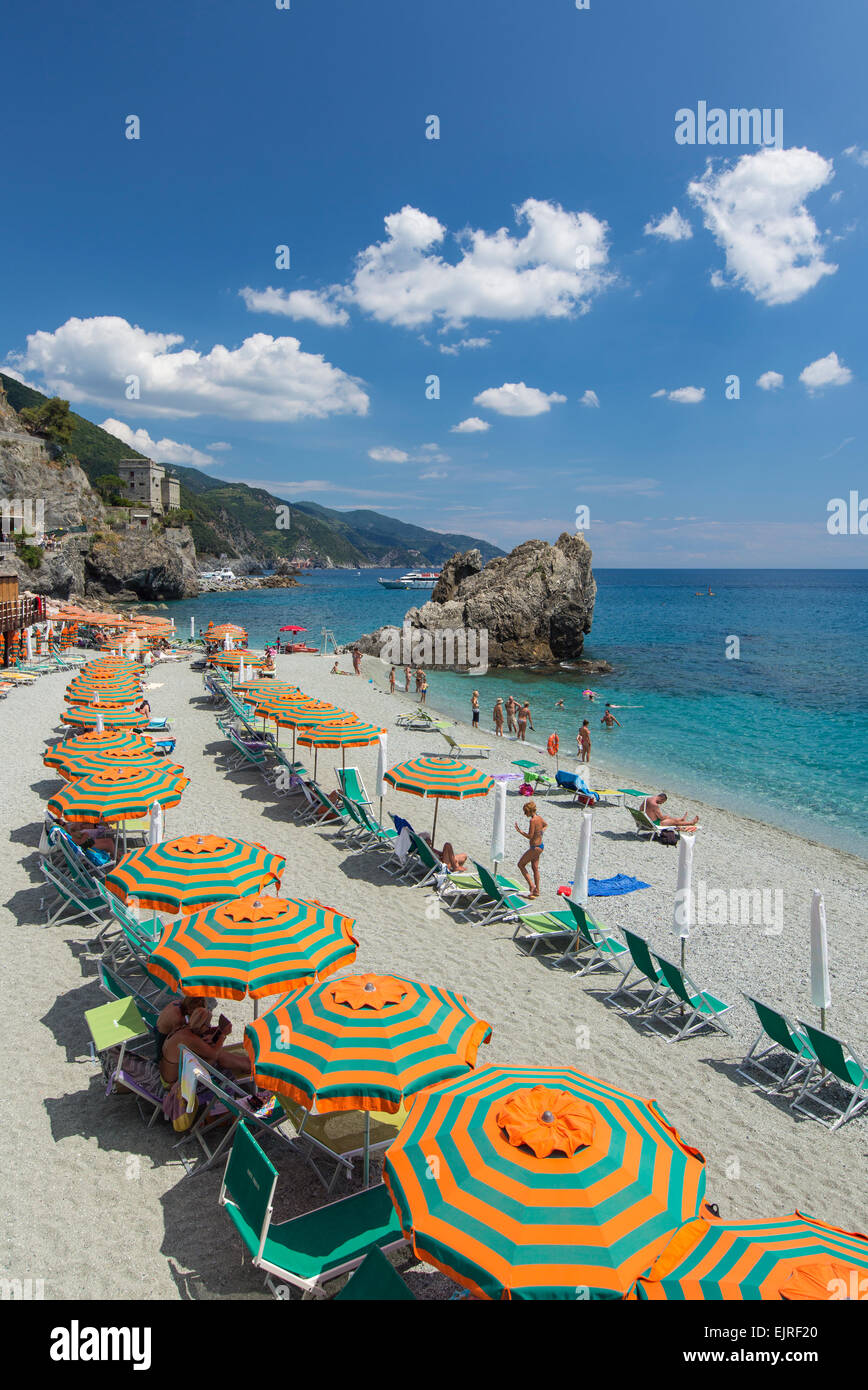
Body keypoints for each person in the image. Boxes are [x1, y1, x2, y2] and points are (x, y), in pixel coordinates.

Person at [159, 1006, 251, 1085]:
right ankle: (247, 1065)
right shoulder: (189, 1038)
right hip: (174, 1083)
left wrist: (216, 1030)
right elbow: (214, 1054)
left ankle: (244, 1063)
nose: (209, 1027)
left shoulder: (184, 1028)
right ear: (202, 1025)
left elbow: (202, 1035)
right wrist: (223, 1035)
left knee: (211, 1050)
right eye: (208, 1025)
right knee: (217, 1055)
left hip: (168, 1075)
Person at [515, 799, 546, 899]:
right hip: (540, 846)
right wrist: (541, 832)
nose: (525, 814)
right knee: (535, 868)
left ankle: (532, 886)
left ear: (530, 811)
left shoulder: (533, 820)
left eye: (525, 812)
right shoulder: (540, 818)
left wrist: (520, 832)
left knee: (520, 864)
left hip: (534, 848)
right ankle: (537, 891)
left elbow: (530, 836)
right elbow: (545, 825)